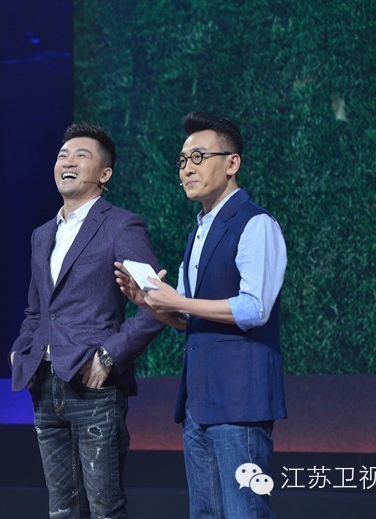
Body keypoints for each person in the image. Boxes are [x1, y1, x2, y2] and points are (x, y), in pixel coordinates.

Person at [116, 111, 287, 518]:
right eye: (182, 161)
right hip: (198, 402)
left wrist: (177, 301)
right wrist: (149, 302)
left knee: (245, 511)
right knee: (205, 513)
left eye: (198, 157)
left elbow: (254, 308)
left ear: (232, 163)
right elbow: (187, 320)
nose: (187, 169)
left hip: (240, 402)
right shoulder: (198, 231)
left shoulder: (256, 223)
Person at [10, 122, 165, 518]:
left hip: (94, 386)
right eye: (63, 155)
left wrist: (110, 355)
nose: (68, 162)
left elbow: (157, 304)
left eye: (81, 156)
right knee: (61, 510)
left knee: (104, 509)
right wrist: (22, 350)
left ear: (104, 174)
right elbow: (36, 309)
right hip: (45, 385)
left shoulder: (121, 224)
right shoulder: (42, 234)